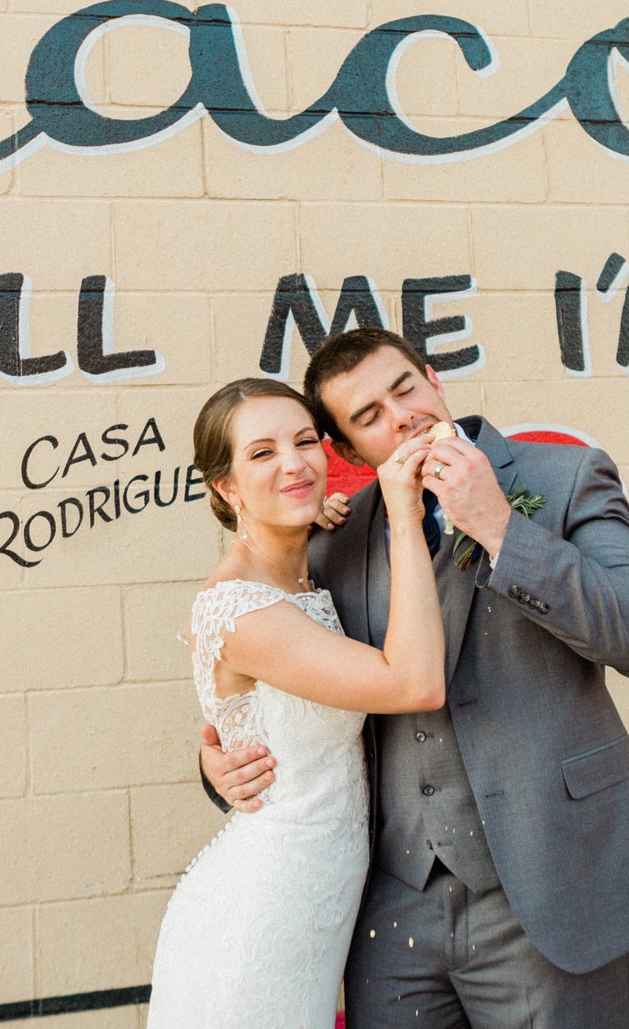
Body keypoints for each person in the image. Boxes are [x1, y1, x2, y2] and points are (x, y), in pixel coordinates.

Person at [197, 332, 629, 1029]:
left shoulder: (565, 478)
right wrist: (221, 762)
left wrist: (501, 528)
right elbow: (284, 684)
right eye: (368, 416)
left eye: (405, 388)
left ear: (434, 380)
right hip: (391, 909)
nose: (400, 416)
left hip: (549, 889)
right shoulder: (335, 540)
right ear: (347, 450)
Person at [146, 376, 445, 1029]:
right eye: (261, 453)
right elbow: (412, 683)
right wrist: (401, 513)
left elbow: (269, 726)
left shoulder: (306, 565)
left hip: (323, 901)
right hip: (267, 909)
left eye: (305, 441)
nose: (293, 462)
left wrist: (320, 520)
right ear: (224, 486)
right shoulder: (241, 609)